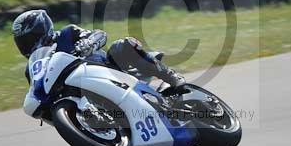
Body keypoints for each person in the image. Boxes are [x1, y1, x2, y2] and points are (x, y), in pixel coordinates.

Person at [11, 8, 185, 91]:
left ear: (42, 30)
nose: (28, 44)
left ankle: (170, 76)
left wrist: (87, 44)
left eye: (29, 38)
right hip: (82, 91)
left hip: (110, 70)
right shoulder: (32, 68)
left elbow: (99, 34)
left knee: (122, 46)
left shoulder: (67, 33)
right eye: (23, 42)